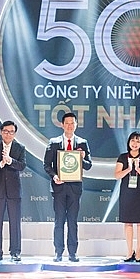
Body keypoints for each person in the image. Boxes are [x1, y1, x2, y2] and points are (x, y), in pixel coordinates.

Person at [43, 112, 92, 262]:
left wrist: (82, 158)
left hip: (75, 188)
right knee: (59, 221)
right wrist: (54, 176)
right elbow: (47, 165)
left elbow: (88, 166)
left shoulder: (82, 143)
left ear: (76, 125)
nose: (70, 126)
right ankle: (58, 252)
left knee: (73, 221)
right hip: (59, 187)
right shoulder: (54, 142)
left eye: (72, 123)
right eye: (67, 123)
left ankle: (73, 253)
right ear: (62, 125)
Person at [0, 120, 27, 262]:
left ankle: (15, 252)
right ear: (1, 132)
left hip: (14, 192)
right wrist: (1, 164)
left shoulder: (20, 148)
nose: (8, 134)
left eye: (11, 132)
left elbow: (22, 166)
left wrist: (10, 161)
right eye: (6, 131)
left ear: (14, 134)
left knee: (15, 223)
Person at [114, 131, 140, 263]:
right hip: (126, 193)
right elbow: (117, 175)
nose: (135, 143)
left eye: (138, 141)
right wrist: (129, 168)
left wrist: (138, 168)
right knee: (128, 222)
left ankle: (139, 251)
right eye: (132, 140)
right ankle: (129, 251)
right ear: (129, 142)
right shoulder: (122, 157)